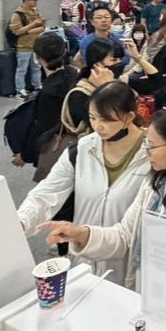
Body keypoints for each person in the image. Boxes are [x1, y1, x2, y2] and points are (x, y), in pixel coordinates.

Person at [38, 106, 166, 328]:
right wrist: (81, 233)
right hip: (152, 303)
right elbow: (125, 235)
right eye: (146, 143)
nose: (146, 150)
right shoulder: (155, 184)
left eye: (152, 145)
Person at [18, 82, 150, 279]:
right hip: (84, 261)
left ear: (129, 117)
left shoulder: (152, 155)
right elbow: (46, 194)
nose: (97, 126)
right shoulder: (82, 150)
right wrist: (21, 221)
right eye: (92, 117)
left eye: (106, 120)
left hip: (128, 266)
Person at [14, 34, 78, 180]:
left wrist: (25, 155)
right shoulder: (73, 74)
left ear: (37, 57)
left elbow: (43, 129)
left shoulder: (49, 92)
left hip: (55, 148)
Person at [8, 0, 47, 96]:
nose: (36, 2)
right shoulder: (17, 14)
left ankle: (37, 85)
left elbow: (43, 27)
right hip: (23, 47)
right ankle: (20, 89)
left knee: (36, 67)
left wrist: (29, 31)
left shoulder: (36, 12)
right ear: (26, 0)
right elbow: (16, 31)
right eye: (34, 0)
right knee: (22, 69)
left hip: (36, 44)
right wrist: (33, 25)